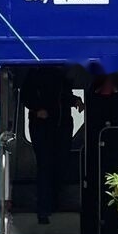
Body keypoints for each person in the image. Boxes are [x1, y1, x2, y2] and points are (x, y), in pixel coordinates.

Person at [21, 66, 84, 224]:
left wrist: (75, 101)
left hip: (62, 125)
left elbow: (64, 96)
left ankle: (55, 204)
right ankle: (43, 210)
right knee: (45, 165)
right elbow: (25, 95)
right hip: (42, 126)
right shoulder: (35, 71)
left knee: (61, 164)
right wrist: (37, 109)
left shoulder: (63, 74)